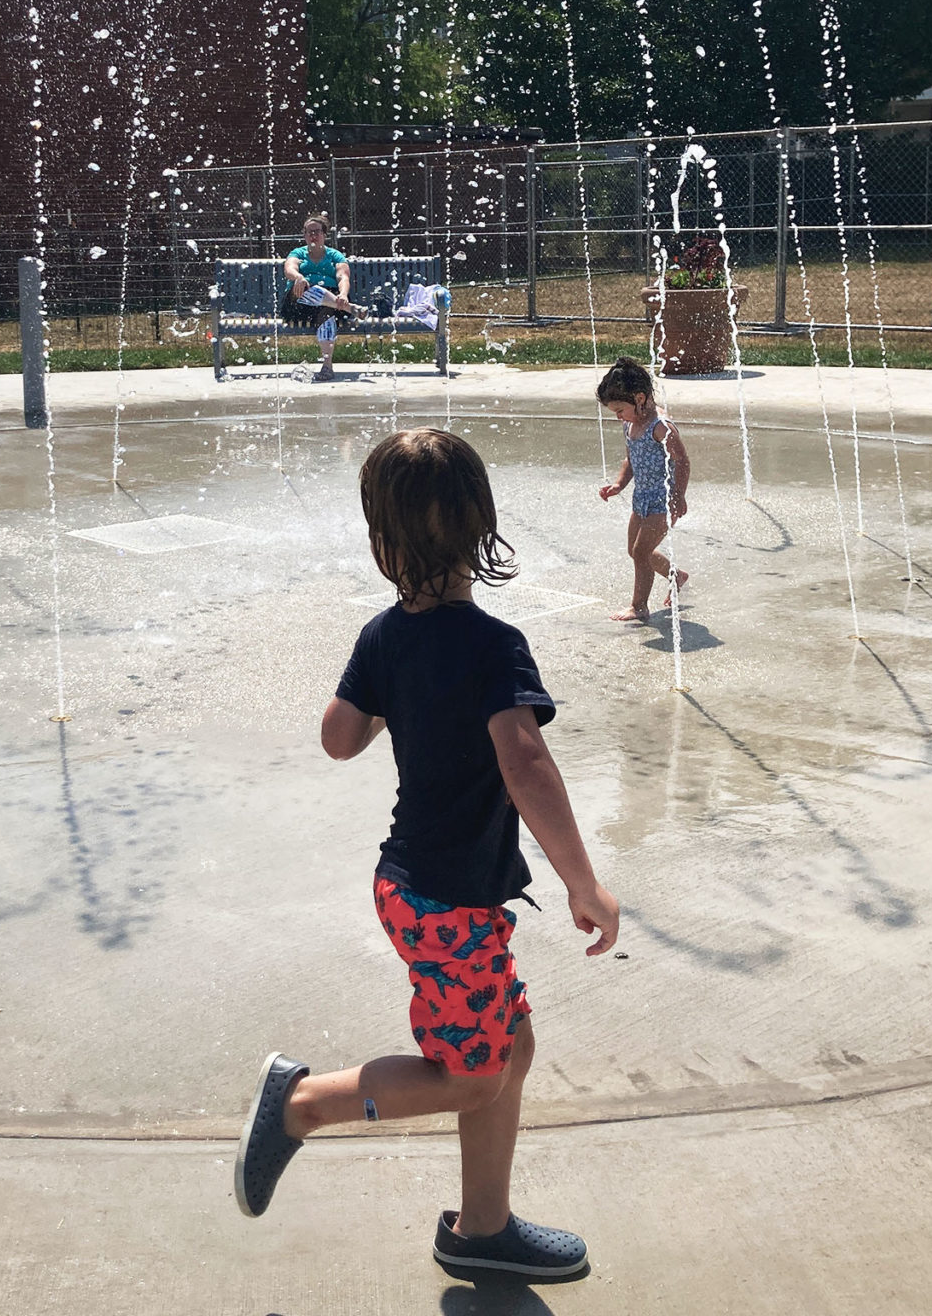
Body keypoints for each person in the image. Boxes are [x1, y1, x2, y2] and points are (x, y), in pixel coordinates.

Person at [234, 428, 620, 1280]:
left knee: (507, 1047)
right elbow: (526, 763)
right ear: (485, 525)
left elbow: (338, 739)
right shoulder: (492, 648)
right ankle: (298, 1104)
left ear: (382, 542)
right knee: (470, 1075)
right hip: (447, 903)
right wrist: (584, 882)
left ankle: (483, 1230)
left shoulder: (384, 637)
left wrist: (390, 700)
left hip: (423, 890)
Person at [596, 355, 691, 624]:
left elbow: (682, 460)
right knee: (635, 550)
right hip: (641, 498)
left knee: (641, 551)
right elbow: (631, 459)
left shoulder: (660, 428)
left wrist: (677, 495)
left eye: (619, 410)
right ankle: (676, 575)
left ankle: (639, 607)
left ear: (639, 398)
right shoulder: (630, 425)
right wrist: (618, 484)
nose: (618, 417)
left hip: (663, 499)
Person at [282, 212, 360, 383]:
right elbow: (289, 268)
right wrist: (298, 277)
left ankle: (327, 367)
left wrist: (344, 294)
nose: (313, 235)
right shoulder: (298, 253)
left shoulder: (335, 256)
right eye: (309, 232)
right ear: (304, 235)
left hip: (332, 304)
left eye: (317, 231)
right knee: (309, 287)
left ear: (325, 234)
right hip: (299, 302)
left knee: (327, 313)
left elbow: (343, 277)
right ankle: (350, 308)